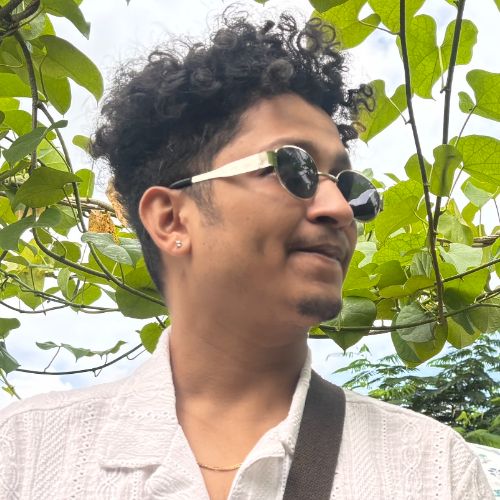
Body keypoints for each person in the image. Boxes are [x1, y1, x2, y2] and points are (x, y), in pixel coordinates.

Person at [0, 8, 493, 500]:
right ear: (171, 220)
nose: (340, 209)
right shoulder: (24, 453)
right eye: (291, 167)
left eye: (350, 186)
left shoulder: (432, 469)